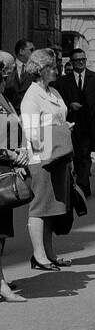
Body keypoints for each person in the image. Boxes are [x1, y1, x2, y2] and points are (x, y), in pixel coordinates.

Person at [21, 49, 75, 270]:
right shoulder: (32, 96)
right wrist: (57, 130)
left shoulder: (53, 92)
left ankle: (49, 253)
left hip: (58, 155)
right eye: (52, 67)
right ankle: (38, 255)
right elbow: (32, 132)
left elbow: (61, 116)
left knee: (52, 207)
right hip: (42, 157)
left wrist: (63, 129)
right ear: (41, 70)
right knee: (40, 207)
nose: (56, 70)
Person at [54, 47, 95, 197]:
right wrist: (69, 105)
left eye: (83, 59)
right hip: (70, 125)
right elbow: (56, 102)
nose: (80, 62)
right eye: (77, 60)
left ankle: (83, 185)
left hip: (89, 124)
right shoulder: (62, 82)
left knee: (85, 155)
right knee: (72, 155)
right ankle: (75, 184)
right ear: (71, 62)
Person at [0, 59, 30, 301]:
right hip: (1, 165)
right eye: (6, 70)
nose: (8, 75)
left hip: (5, 169)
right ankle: (1, 287)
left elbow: (12, 127)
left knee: (1, 232)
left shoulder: (3, 97)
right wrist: (9, 154)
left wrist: (19, 152)